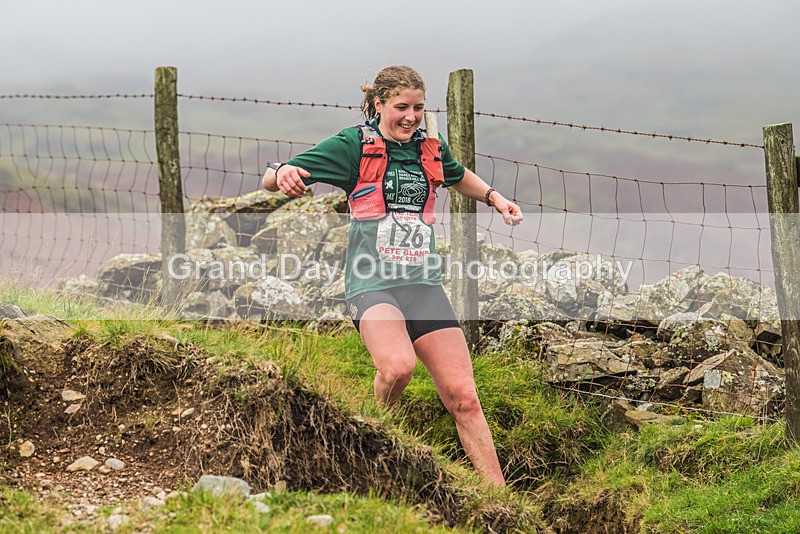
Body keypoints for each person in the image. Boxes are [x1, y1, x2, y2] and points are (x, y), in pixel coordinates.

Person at [262, 65, 523, 486]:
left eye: (419, 107)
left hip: (422, 285)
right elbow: (275, 176)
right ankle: (372, 442)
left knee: (464, 397)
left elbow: (458, 177)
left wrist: (495, 197)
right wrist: (282, 173)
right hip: (372, 283)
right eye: (401, 107)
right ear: (378, 104)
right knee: (398, 368)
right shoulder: (353, 145)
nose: (411, 116)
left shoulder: (429, 148)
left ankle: (500, 499)